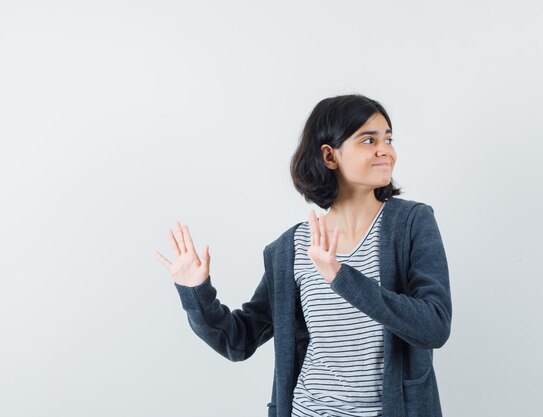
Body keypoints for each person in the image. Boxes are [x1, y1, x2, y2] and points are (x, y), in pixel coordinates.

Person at [155, 94, 452, 417]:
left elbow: (434, 327)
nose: (386, 151)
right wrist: (195, 294)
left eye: (388, 139)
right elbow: (238, 341)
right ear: (329, 155)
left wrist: (341, 277)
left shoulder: (411, 223)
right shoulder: (291, 249)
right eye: (369, 140)